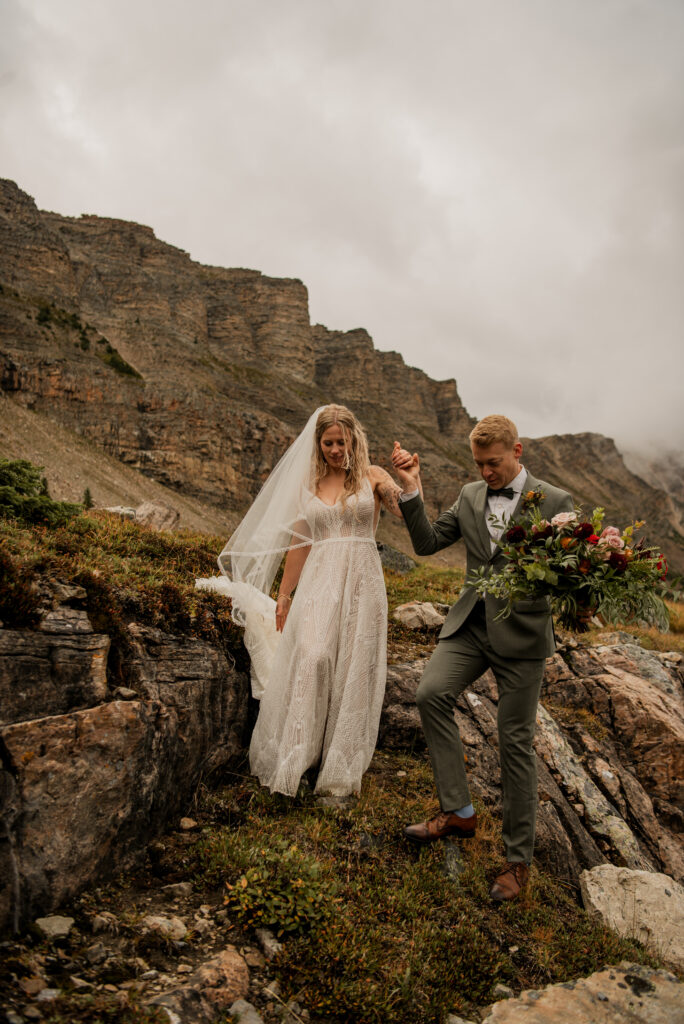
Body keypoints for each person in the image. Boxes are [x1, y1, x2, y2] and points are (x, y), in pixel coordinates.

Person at [391, 415, 573, 902]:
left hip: (523, 637)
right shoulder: (471, 495)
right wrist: (411, 490)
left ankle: (518, 862)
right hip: (470, 625)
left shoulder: (556, 503)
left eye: (493, 463)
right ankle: (458, 812)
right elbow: (427, 544)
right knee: (430, 694)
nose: (486, 472)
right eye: (479, 464)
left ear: (517, 450)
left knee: (515, 743)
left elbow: (571, 573)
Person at [198, 404, 404, 798]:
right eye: (328, 442)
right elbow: (299, 544)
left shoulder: (373, 477)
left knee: (352, 667)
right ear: (318, 443)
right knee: (313, 656)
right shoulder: (309, 484)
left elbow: (404, 509)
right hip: (319, 581)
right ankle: (296, 759)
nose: (335, 449)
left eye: (341, 442)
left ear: (353, 439)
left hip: (362, 580)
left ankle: (338, 773)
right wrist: (284, 594)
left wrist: (408, 481)